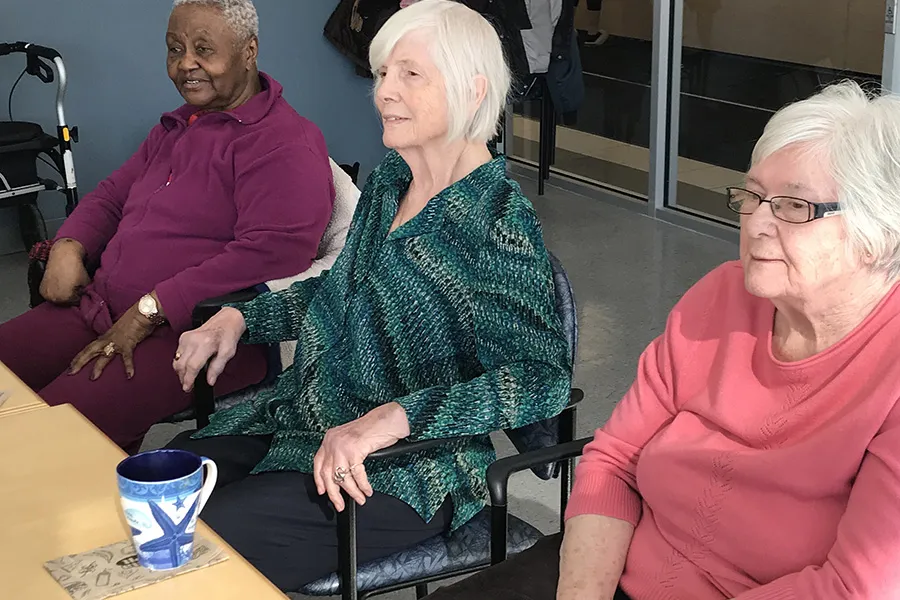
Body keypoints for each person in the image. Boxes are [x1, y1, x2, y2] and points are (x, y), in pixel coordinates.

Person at [424, 81, 900, 600]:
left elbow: (854, 587)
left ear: (880, 233)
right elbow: (613, 460)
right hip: (608, 570)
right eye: (753, 196)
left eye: (793, 207)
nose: (757, 223)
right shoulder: (722, 293)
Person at [166, 0, 572, 591]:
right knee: (164, 483)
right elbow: (341, 296)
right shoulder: (389, 183)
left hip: (406, 470)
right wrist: (239, 318)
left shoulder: (497, 222)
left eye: (411, 74)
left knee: (207, 550)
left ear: (473, 90)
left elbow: (542, 378)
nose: (384, 92)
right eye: (383, 73)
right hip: (307, 419)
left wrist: (393, 419)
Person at [0, 0, 334, 452]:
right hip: (100, 307)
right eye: (174, 49)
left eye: (203, 49)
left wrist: (150, 308)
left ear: (248, 51)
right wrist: (68, 246)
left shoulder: (284, 141)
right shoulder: (178, 126)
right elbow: (113, 195)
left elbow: (274, 251)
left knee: (44, 439)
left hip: (197, 333)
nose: (185, 65)